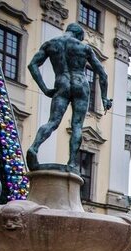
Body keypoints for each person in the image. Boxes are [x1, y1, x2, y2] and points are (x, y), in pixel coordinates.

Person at [26, 23, 112, 170]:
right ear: (79, 35)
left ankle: (34, 147)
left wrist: (45, 89)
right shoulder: (84, 48)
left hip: (62, 83)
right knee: (77, 125)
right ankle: (72, 163)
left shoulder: (50, 44)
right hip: (81, 85)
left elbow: (32, 65)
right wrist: (104, 98)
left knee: (53, 122)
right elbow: (102, 74)